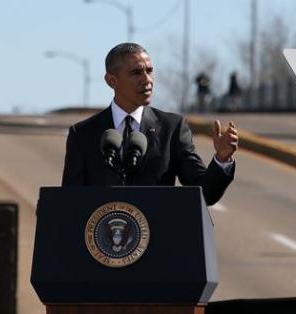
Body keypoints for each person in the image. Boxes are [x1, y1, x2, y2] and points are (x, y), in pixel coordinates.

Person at [61, 42, 238, 206]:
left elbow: (203, 193)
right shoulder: (83, 134)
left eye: (150, 71)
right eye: (136, 73)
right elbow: (70, 200)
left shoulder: (172, 128)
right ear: (112, 81)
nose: (147, 80)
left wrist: (222, 159)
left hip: (159, 237)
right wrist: (52, 210)